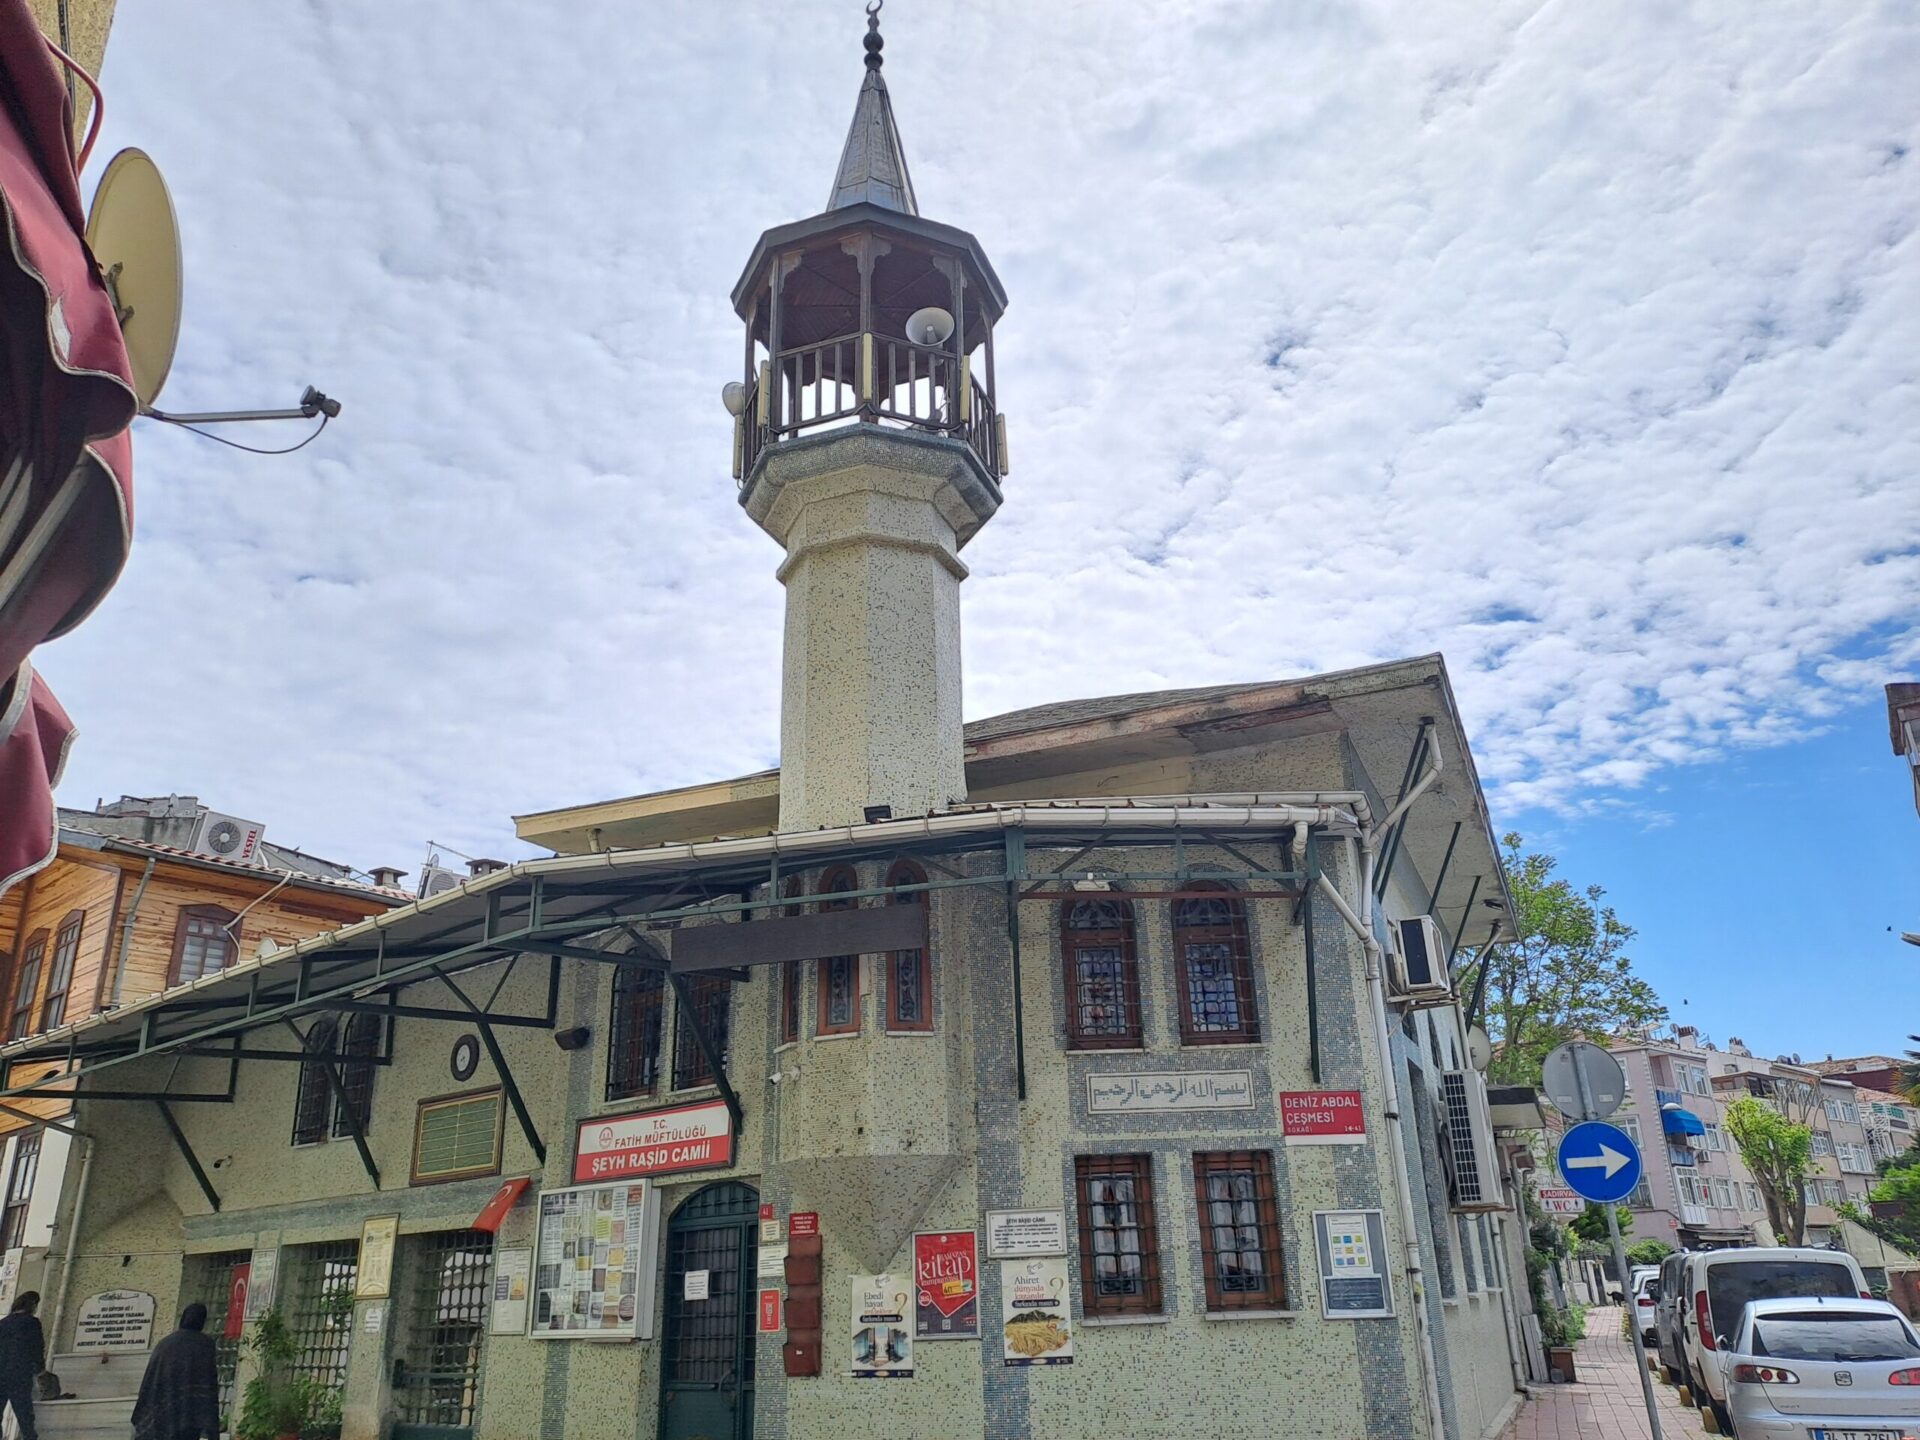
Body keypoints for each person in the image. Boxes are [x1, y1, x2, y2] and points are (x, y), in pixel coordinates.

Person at [131, 1303, 220, 1440]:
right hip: (191, 1415)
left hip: (162, 1409)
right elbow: (209, 1384)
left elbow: (150, 1382)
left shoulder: (165, 1343)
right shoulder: (205, 1344)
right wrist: (212, 1431)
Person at [0, 1290, 44, 1440]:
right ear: (32, 1305)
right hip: (20, 1374)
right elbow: (37, 1347)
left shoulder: (3, 1323)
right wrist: (40, 1369)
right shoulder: (31, 1323)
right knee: (24, 1414)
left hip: (1, 1373)